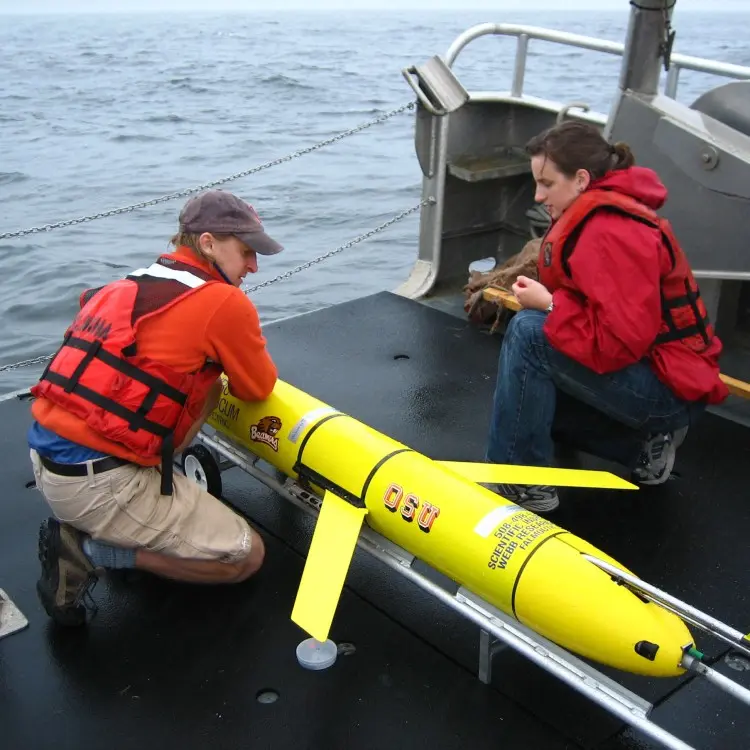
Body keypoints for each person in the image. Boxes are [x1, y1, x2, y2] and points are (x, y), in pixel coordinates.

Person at [28, 189, 282, 626]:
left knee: (197, 380)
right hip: (100, 487)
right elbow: (257, 387)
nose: (254, 266)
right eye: (246, 252)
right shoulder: (223, 302)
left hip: (48, 463)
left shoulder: (125, 285)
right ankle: (89, 550)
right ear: (207, 243)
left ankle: (122, 512)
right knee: (244, 556)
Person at [485, 121, 729, 513]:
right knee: (528, 401)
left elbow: (619, 343)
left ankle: (523, 482)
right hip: (659, 373)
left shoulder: (610, 231)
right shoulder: (596, 211)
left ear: (581, 179)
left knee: (530, 336)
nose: (538, 194)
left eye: (547, 183)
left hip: (667, 389)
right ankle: (643, 449)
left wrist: (550, 305)